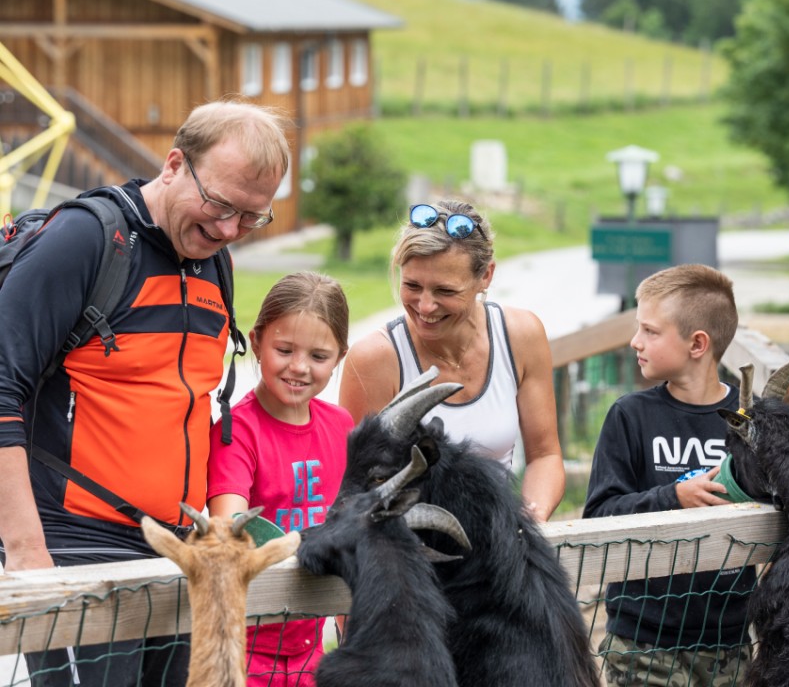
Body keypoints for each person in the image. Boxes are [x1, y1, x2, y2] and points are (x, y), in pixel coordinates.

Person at [0, 98, 290, 686]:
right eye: (220, 204)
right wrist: (30, 557)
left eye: (252, 217)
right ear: (175, 163)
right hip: (77, 551)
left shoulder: (213, 258)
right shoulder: (86, 241)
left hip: (178, 554)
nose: (230, 230)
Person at [339, 199, 564, 522]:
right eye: (412, 286)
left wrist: (527, 521)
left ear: (485, 276)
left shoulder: (521, 336)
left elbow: (545, 455)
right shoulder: (375, 360)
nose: (426, 306)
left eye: (445, 291)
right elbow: (354, 489)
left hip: (499, 537)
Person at [583, 263, 756, 685]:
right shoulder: (629, 416)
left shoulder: (750, 422)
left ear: (697, 343)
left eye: (650, 331)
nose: (634, 341)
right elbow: (599, 516)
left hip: (728, 641)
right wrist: (673, 498)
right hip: (643, 639)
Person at [207, 271, 353, 687]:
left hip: (311, 645)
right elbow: (230, 531)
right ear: (256, 342)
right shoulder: (236, 433)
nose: (299, 368)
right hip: (244, 648)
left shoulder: (342, 427)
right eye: (284, 350)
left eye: (319, 357)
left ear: (340, 356)